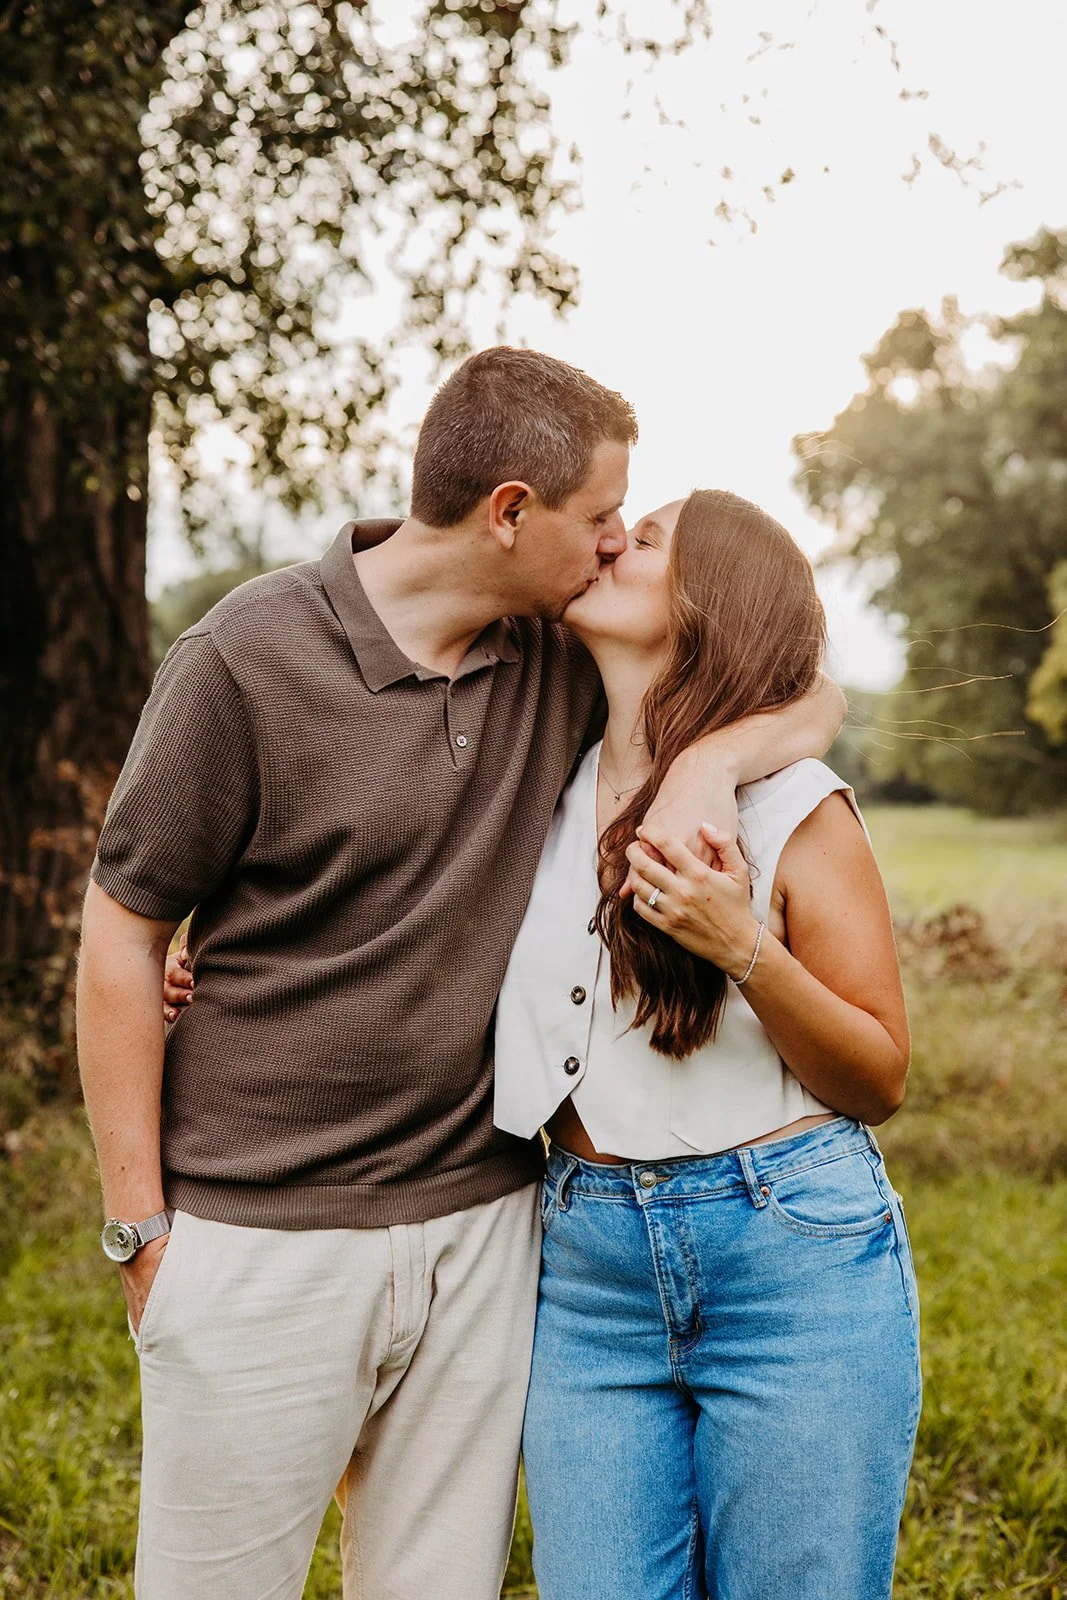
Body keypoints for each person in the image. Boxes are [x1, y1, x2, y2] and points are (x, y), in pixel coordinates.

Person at [80, 346, 843, 1600]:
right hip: (257, 1234)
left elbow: (794, 680)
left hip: (484, 1231)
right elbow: (122, 927)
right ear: (506, 512)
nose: (610, 549)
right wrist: (139, 1225)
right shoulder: (244, 657)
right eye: (599, 519)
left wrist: (709, 769)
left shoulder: (553, 664)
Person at [492, 489, 921, 1600]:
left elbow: (876, 1075)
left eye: (644, 541)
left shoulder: (794, 809)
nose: (609, 545)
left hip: (790, 1255)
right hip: (587, 1270)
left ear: (705, 607)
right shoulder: (539, 784)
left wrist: (745, 948)